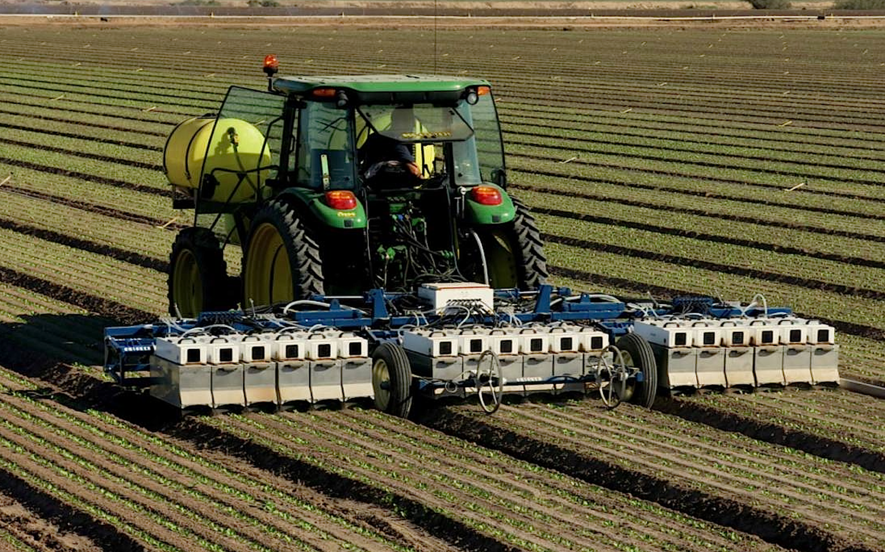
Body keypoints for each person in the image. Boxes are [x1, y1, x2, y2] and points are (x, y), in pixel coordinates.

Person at [359, 107, 423, 181]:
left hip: (369, 183)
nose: (412, 125)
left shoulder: (375, 136)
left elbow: (359, 156)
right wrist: (422, 177)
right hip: (388, 186)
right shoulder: (395, 141)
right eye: (408, 121)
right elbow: (414, 171)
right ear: (396, 121)